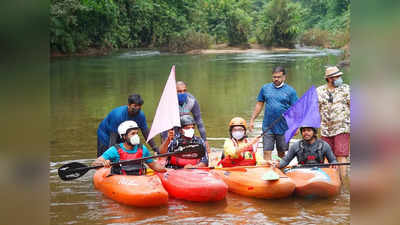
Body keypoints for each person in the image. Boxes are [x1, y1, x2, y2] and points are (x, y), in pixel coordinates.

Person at [249, 66, 298, 161]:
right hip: (268, 126)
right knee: (266, 151)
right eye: (274, 77)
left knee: (282, 152)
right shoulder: (265, 88)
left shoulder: (290, 91)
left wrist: (296, 126)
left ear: (284, 77)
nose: (276, 79)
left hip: (284, 127)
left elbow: (295, 109)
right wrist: (252, 120)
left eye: (279, 77)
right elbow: (259, 105)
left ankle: (281, 172)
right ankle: (268, 173)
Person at [92, 121, 166, 174]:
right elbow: (94, 164)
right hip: (120, 180)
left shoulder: (142, 149)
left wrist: (166, 170)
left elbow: (154, 165)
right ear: (124, 136)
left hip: (139, 180)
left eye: (137, 133)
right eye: (132, 134)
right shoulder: (114, 150)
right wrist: (104, 162)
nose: (136, 136)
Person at [316, 66, 350, 177]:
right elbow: (316, 109)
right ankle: (332, 179)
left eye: (340, 76)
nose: (340, 78)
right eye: (337, 76)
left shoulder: (346, 89)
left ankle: (342, 181)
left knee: (341, 153)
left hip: (342, 127)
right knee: (327, 154)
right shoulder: (319, 91)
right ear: (330, 78)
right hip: (325, 128)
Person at [162, 81, 210, 153]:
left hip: (185, 126)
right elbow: (164, 126)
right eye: (179, 91)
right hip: (172, 126)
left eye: (184, 91)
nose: (182, 93)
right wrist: (165, 144)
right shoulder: (168, 102)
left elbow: (199, 121)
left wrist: (205, 141)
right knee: (170, 149)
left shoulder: (192, 101)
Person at [268, 126, 337, 169]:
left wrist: (334, 163)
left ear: (314, 132)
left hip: (320, 171)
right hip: (302, 172)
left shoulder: (324, 145)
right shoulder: (296, 146)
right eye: (304, 131)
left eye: (309, 130)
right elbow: (286, 160)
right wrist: (278, 164)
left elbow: (332, 160)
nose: (306, 133)